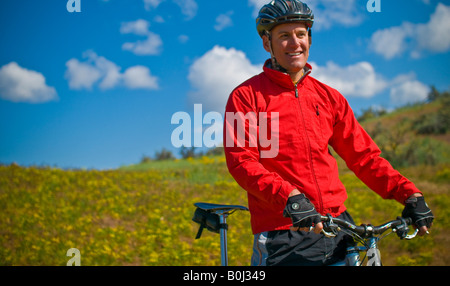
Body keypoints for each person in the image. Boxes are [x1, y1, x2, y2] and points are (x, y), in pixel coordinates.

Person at [223, 0, 434, 266]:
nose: (295, 43)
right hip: (284, 229)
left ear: (309, 39)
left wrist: (409, 194)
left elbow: (364, 157)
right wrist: (288, 196)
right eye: (284, 36)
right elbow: (242, 161)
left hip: (338, 227)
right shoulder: (245, 97)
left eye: (301, 34)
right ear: (268, 44)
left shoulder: (329, 97)